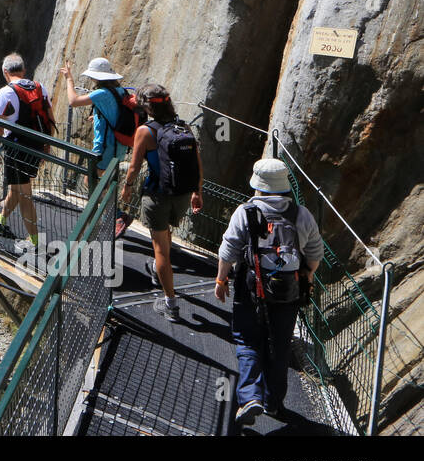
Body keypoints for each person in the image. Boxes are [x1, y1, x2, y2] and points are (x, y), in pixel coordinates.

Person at [215, 158, 322, 425]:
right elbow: (315, 253)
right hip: (289, 292)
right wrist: (307, 275)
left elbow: (228, 250)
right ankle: (274, 402)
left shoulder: (246, 212)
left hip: (251, 287)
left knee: (248, 340)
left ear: (258, 185)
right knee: (280, 344)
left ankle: (250, 396)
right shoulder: (301, 215)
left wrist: (220, 280)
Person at [120, 84, 204, 322]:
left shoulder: (145, 131)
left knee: (161, 251)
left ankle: (170, 304)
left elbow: (135, 167)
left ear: (147, 107)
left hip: (157, 196)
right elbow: (198, 164)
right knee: (165, 237)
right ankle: (160, 271)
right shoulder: (183, 127)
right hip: (182, 195)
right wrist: (197, 192)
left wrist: (127, 187)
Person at [63, 57, 142, 236]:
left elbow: (73, 101)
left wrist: (69, 78)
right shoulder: (120, 90)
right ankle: (110, 216)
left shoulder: (102, 93)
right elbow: (115, 113)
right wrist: (97, 116)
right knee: (101, 182)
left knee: (91, 181)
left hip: (105, 147)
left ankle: (114, 216)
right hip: (118, 146)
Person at [0, 53, 54, 256]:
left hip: (16, 148)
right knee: (17, 188)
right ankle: (0, 221)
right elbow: (50, 117)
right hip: (35, 145)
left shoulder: (5, 92)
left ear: (5, 72)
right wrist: (46, 145)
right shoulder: (39, 87)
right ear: (24, 70)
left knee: (25, 194)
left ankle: (34, 241)